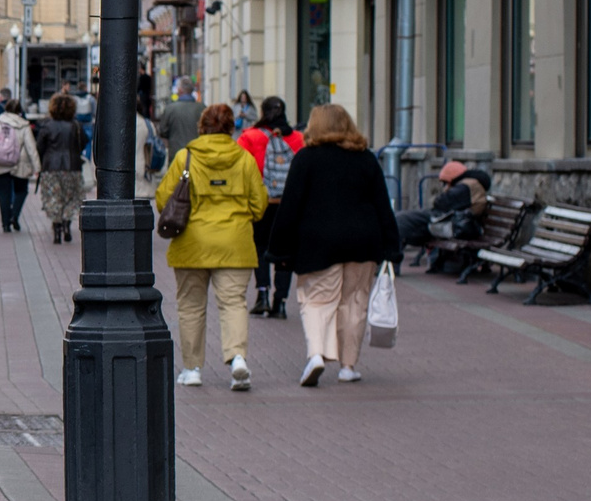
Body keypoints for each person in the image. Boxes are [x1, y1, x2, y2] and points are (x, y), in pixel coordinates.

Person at [269, 105, 403, 385]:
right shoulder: (365, 159)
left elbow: (290, 206)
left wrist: (279, 248)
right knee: (354, 303)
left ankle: (317, 354)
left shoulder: (305, 159)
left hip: (318, 242)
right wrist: (392, 246)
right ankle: (348, 367)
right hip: (363, 241)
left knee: (317, 300)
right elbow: (382, 204)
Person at [152, 102, 265, 393]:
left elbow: (164, 199)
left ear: (201, 126)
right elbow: (259, 205)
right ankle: (237, 357)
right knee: (233, 303)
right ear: (230, 127)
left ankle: (192, 369)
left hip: (192, 243)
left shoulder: (185, 157)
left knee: (190, 306)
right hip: (234, 244)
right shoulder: (244, 158)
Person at [237, 97, 303, 318]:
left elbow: (241, 171)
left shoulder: (249, 137)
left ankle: (262, 295)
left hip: (261, 202)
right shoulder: (297, 138)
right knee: (285, 251)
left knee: (260, 248)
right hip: (289, 205)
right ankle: (280, 302)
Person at [396, 159, 489, 250]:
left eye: (445, 182)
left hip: (453, 223)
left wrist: (446, 190)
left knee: (402, 221)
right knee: (401, 220)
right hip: (450, 220)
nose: (445, 186)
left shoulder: (466, 185)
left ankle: (392, 259)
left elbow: (441, 203)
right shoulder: (468, 183)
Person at [0, 99, 41, 232]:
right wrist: (37, 167)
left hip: (0, 161)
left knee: (3, 193)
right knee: (21, 190)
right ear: (20, 111)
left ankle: (5, 224)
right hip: (20, 163)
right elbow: (31, 148)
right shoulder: (24, 125)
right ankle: (14, 215)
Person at [35, 95, 87, 242]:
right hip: (73, 167)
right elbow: (82, 142)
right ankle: (66, 223)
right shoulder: (76, 126)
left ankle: (56, 228)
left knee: (53, 198)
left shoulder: (47, 126)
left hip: (51, 167)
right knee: (72, 197)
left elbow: (40, 147)